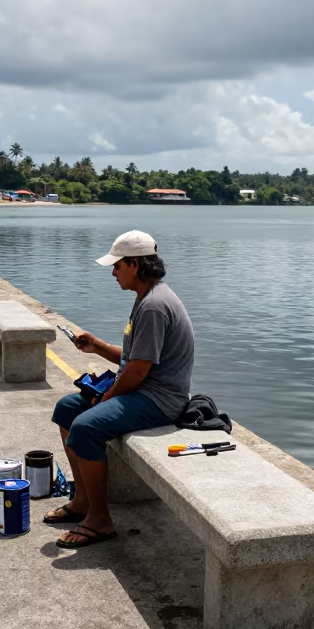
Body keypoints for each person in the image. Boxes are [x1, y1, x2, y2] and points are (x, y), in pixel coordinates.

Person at [46, 230, 194, 549]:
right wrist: (97, 346)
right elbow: (133, 359)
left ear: (135, 264)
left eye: (117, 266)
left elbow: (138, 372)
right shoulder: (146, 298)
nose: (113, 272)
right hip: (141, 390)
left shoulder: (154, 306)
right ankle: (83, 500)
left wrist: (106, 398)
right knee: (67, 409)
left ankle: (100, 520)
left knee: (85, 427)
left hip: (160, 401)